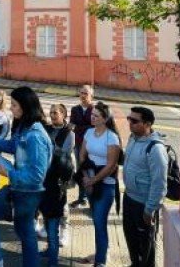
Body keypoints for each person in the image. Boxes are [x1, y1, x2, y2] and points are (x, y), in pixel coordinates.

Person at [0, 86, 53, 267]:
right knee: (25, 232)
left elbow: (37, 176)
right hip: (22, 190)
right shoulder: (25, 127)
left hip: (27, 193)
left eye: (15, 105)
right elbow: (12, 146)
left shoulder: (36, 136)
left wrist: (7, 173)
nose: (11, 108)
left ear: (26, 107)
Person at [77, 102, 121, 267]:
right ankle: (100, 252)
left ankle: (101, 261)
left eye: (96, 115)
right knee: (96, 220)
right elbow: (82, 156)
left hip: (105, 184)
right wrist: (86, 177)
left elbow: (111, 165)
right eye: (92, 114)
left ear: (105, 119)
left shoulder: (112, 137)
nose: (92, 117)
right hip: (89, 180)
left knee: (99, 220)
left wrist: (93, 180)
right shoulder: (89, 132)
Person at [122, 107, 167, 267]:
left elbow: (159, 184)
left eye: (134, 121)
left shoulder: (155, 149)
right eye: (129, 119)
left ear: (147, 124)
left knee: (145, 246)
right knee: (131, 239)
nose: (130, 123)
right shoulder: (133, 138)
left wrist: (150, 209)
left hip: (143, 204)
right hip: (129, 198)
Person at [37, 103, 74, 266]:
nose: (52, 115)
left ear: (63, 114)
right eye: (50, 112)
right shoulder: (46, 128)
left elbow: (63, 155)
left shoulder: (69, 133)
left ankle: (53, 258)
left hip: (58, 180)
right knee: (46, 215)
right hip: (44, 176)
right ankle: (49, 249)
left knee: (55, 218)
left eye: (56, 113)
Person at [69, 85, 94, 208]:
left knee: (92, 172)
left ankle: (93, 201)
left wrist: (79, 127)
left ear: (91, 96)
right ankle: (82, 198)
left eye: (86, 93)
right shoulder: (75, 109)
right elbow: (72, 125)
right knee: (81, 171)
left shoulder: (95, 109)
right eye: (81, 93)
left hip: (93, 146)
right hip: (79, 144)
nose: (83, 96)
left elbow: (96, 126)